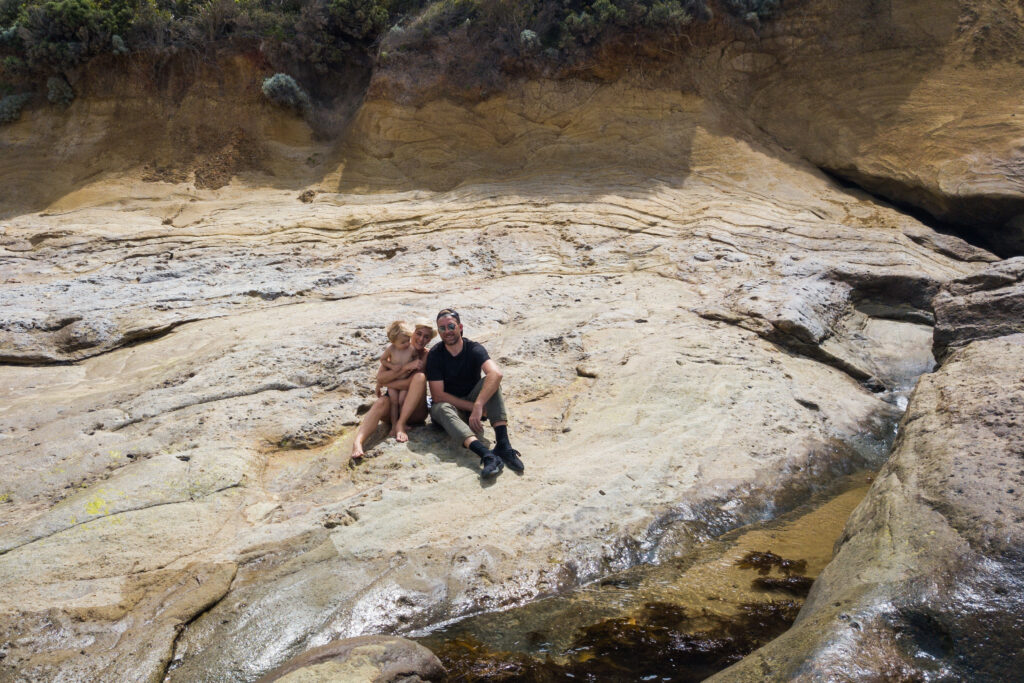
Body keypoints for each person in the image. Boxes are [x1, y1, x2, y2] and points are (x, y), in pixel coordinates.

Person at [426, 307, 524, 478]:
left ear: (460, 327)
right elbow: (438, 395)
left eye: (451, 326)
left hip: (473, 402)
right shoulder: (435, 355)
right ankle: (487, 455)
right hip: (451, 408)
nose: (447, 331)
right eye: (442, 328)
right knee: (440, 407)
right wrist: (473, 407)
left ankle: (503, 444)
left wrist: (478, 405)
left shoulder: (473, 348)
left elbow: (496, 374)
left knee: (491, 382)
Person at [350, 321, 436, 460]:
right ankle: (358, 442)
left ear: (430, 340)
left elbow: (409, 383)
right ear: (411, 333)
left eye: (426, 337)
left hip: (415, 411)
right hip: (392, 408)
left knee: (419, 377)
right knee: (381, 402)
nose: (421, 339)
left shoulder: (426, 355)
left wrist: (387, 383)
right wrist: (402, 369)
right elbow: (381, 377)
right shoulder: (395, 349)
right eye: (418, 334)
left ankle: (401, 424)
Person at [376, 321, 417, 430]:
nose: (407, 343)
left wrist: (413, 367)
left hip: (404, 381)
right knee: (394, 402)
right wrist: (391, 366)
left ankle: (402, 422)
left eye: (408, 340)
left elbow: (416, 358)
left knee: (402, 400)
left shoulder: (411, 349)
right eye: (403, 342)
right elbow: (382, 360)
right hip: (393, 383)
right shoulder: (391, 349)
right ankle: (394, 425)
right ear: (393, 341)